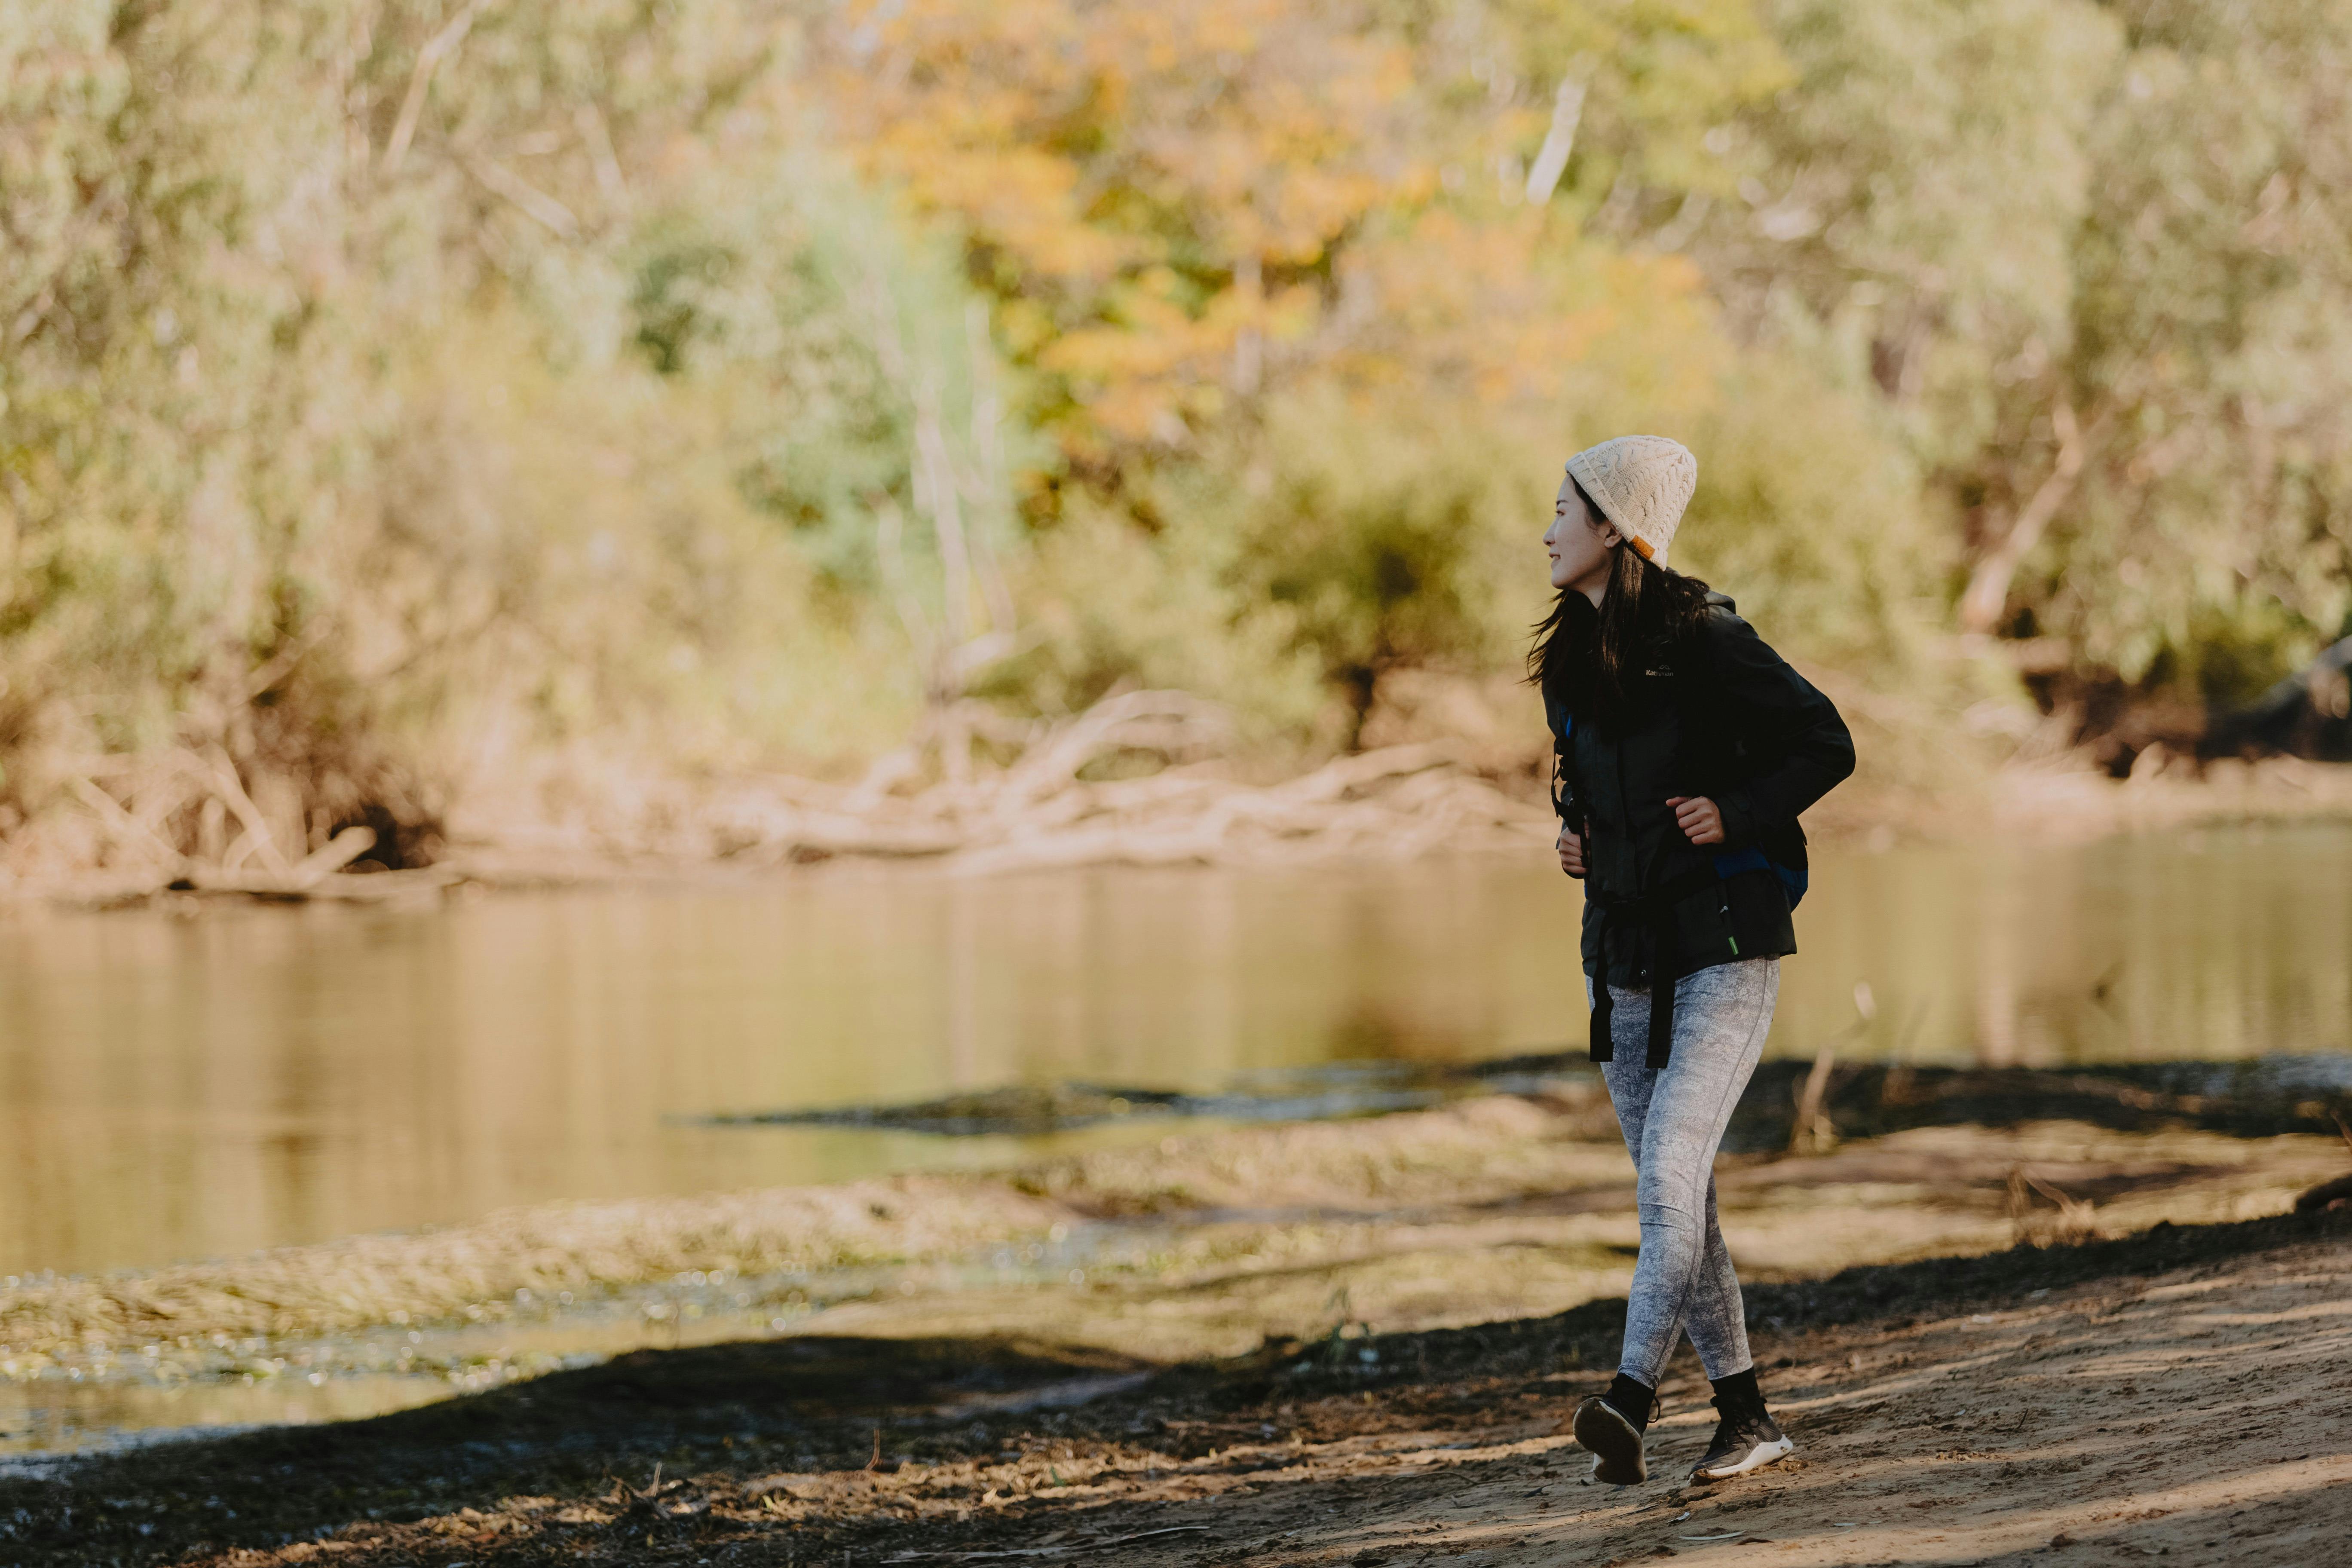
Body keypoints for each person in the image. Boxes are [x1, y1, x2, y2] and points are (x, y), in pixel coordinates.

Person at [1531, 435, 1854, 1486]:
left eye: (1566, 513)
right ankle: (1747, 1416)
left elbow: (1826, 740)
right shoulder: (1569, 661)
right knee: (1684, 1200)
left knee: (1670, 1179)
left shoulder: (1707, 641)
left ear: (1617, 529)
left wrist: (1739, 811)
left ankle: (1629, 1396)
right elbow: (1587, 785)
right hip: (1623, 956)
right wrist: (1575, 833)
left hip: (1723, 944)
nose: (1548, 531)